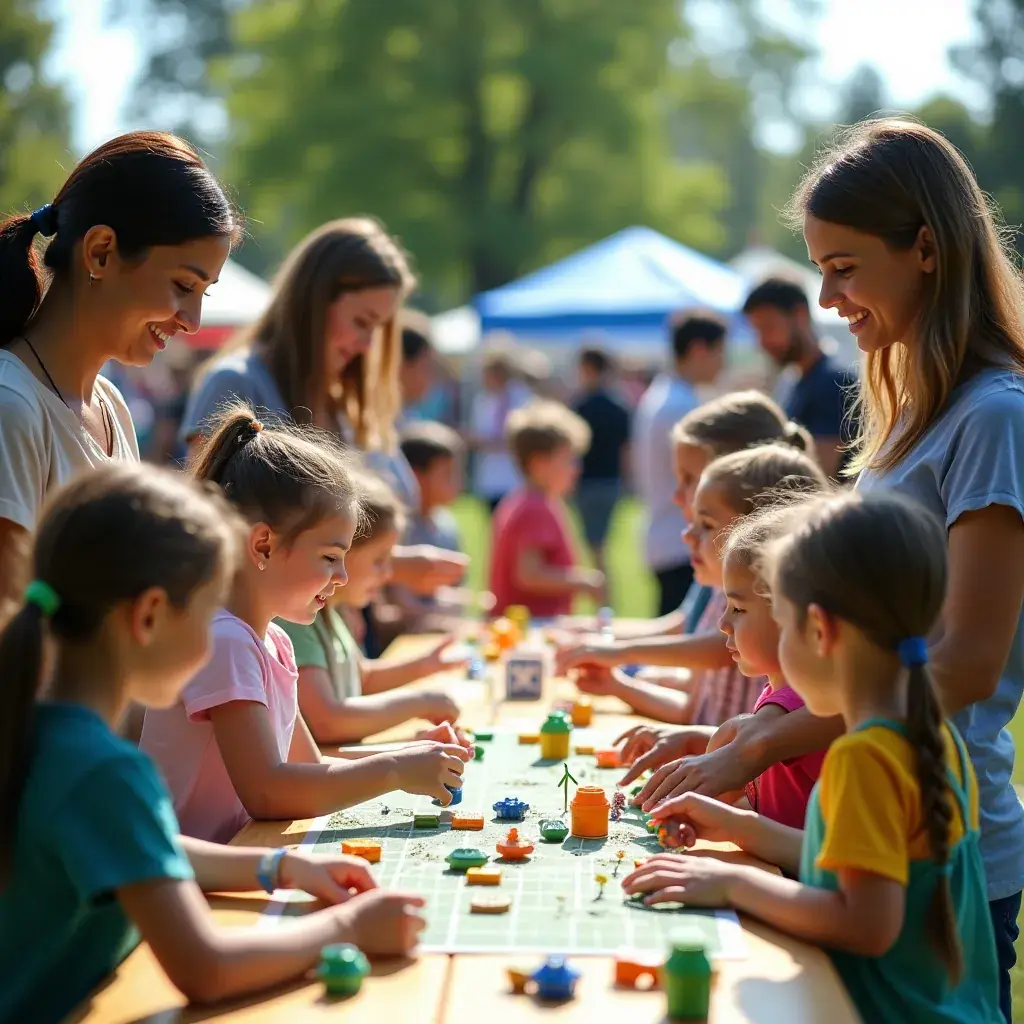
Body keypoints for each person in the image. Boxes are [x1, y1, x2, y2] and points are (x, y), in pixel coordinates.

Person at [0, 463, 426, 1021]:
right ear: (151, 614)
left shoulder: (53, 734)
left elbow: (150, 847)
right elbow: (207, 968)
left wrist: (278, 868)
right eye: (206, 611)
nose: (214, 635)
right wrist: (348, 926)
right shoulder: (102, 769)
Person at [792, 118, 1024, 1023]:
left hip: (942, 840)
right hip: (880, 827)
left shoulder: (994, 415)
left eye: (844, 268)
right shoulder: (916, 410)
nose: (824, 297)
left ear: (925, 248)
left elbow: (963, 662)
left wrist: (767, 741)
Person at [626, 492, 1002, 1023]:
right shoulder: (930, 733)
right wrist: (737, 825)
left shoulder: (863, 758)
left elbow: (865, 924)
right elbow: (864, 870)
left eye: (781, 620)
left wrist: (732, 882)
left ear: (820, 631)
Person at [140, 407, 472, 843]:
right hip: (185, 887)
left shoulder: (271, 640)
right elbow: (268, 792)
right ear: (263, 545)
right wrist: (395, 770)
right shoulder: (224, 641)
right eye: (331, 558)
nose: (343, 578)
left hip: (236, 858)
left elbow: (309, 768)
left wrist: (414, 755)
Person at [0, 130, 237, 610]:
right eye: (181, 284)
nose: (192, 322)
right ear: (101, 252)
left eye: (203, 294)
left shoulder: (110, 404)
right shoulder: (12, 406)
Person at [178, 217, 467, 608]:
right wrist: (392, 566)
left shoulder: (344, 404)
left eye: (378, 330)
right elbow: (211, 531)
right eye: (361, 322)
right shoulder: (236, 382)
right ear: (313, 303)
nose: (367, 345)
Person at [567, 444, 828, 727]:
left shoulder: (758, 637)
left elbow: (716, 654)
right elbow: (694, 713)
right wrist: (617, 685)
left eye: (705, 524)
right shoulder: (725, 599)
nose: (688, 534)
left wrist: (617, 651)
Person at [632, 504, 827, 829]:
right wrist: (698, 739)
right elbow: (768, 781)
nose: (722, 623)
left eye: (737, 608)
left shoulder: (795, 704)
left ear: (791, 617)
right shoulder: (780, 695)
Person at [280, 469, 466, 745]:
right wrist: (421, 703)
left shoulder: (332, 612)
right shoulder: (297, 620)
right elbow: (327, 722)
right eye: (379, 560)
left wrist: (423, 667)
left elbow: (360, 680)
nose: (388, 573)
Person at [633, 311, 726, 617]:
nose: (722, 363)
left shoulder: (663, 395)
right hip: (679, 538)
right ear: (699, 349)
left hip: (666, 533)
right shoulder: (680, 405)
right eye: (719, 352)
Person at [489, 400, 603, 618]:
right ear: (539, 463)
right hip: (530, 625)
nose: (576, 469)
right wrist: (584, 582)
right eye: (568, 459)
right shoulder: (535, 507)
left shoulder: (529, 500)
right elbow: (528, 574)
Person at [742, 277, 855, 478]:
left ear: (800, 315)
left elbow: (818, 477)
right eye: (757, 331)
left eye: (768, 328)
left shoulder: (833, 382)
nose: (762, 342)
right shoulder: (793, 380)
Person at [390, 421, 466, 631]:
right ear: (415, 475)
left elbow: (456, 589)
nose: (458, 483)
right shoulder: (396, 528)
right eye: (447, 474)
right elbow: (399, 607)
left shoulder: (447, 526)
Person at [571, 346, 631, 576]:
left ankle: (601, 592)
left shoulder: (580, 405)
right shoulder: (619, 406)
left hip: (586, 482)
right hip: (611, 481)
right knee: (600, 545)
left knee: (593, 546)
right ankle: (604, 592)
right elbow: (626, 449)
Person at [468, 351, 532, 513]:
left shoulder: (521, 397)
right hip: (491, 479)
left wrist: (490, 442)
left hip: (515, 477)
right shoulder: (482, 401)